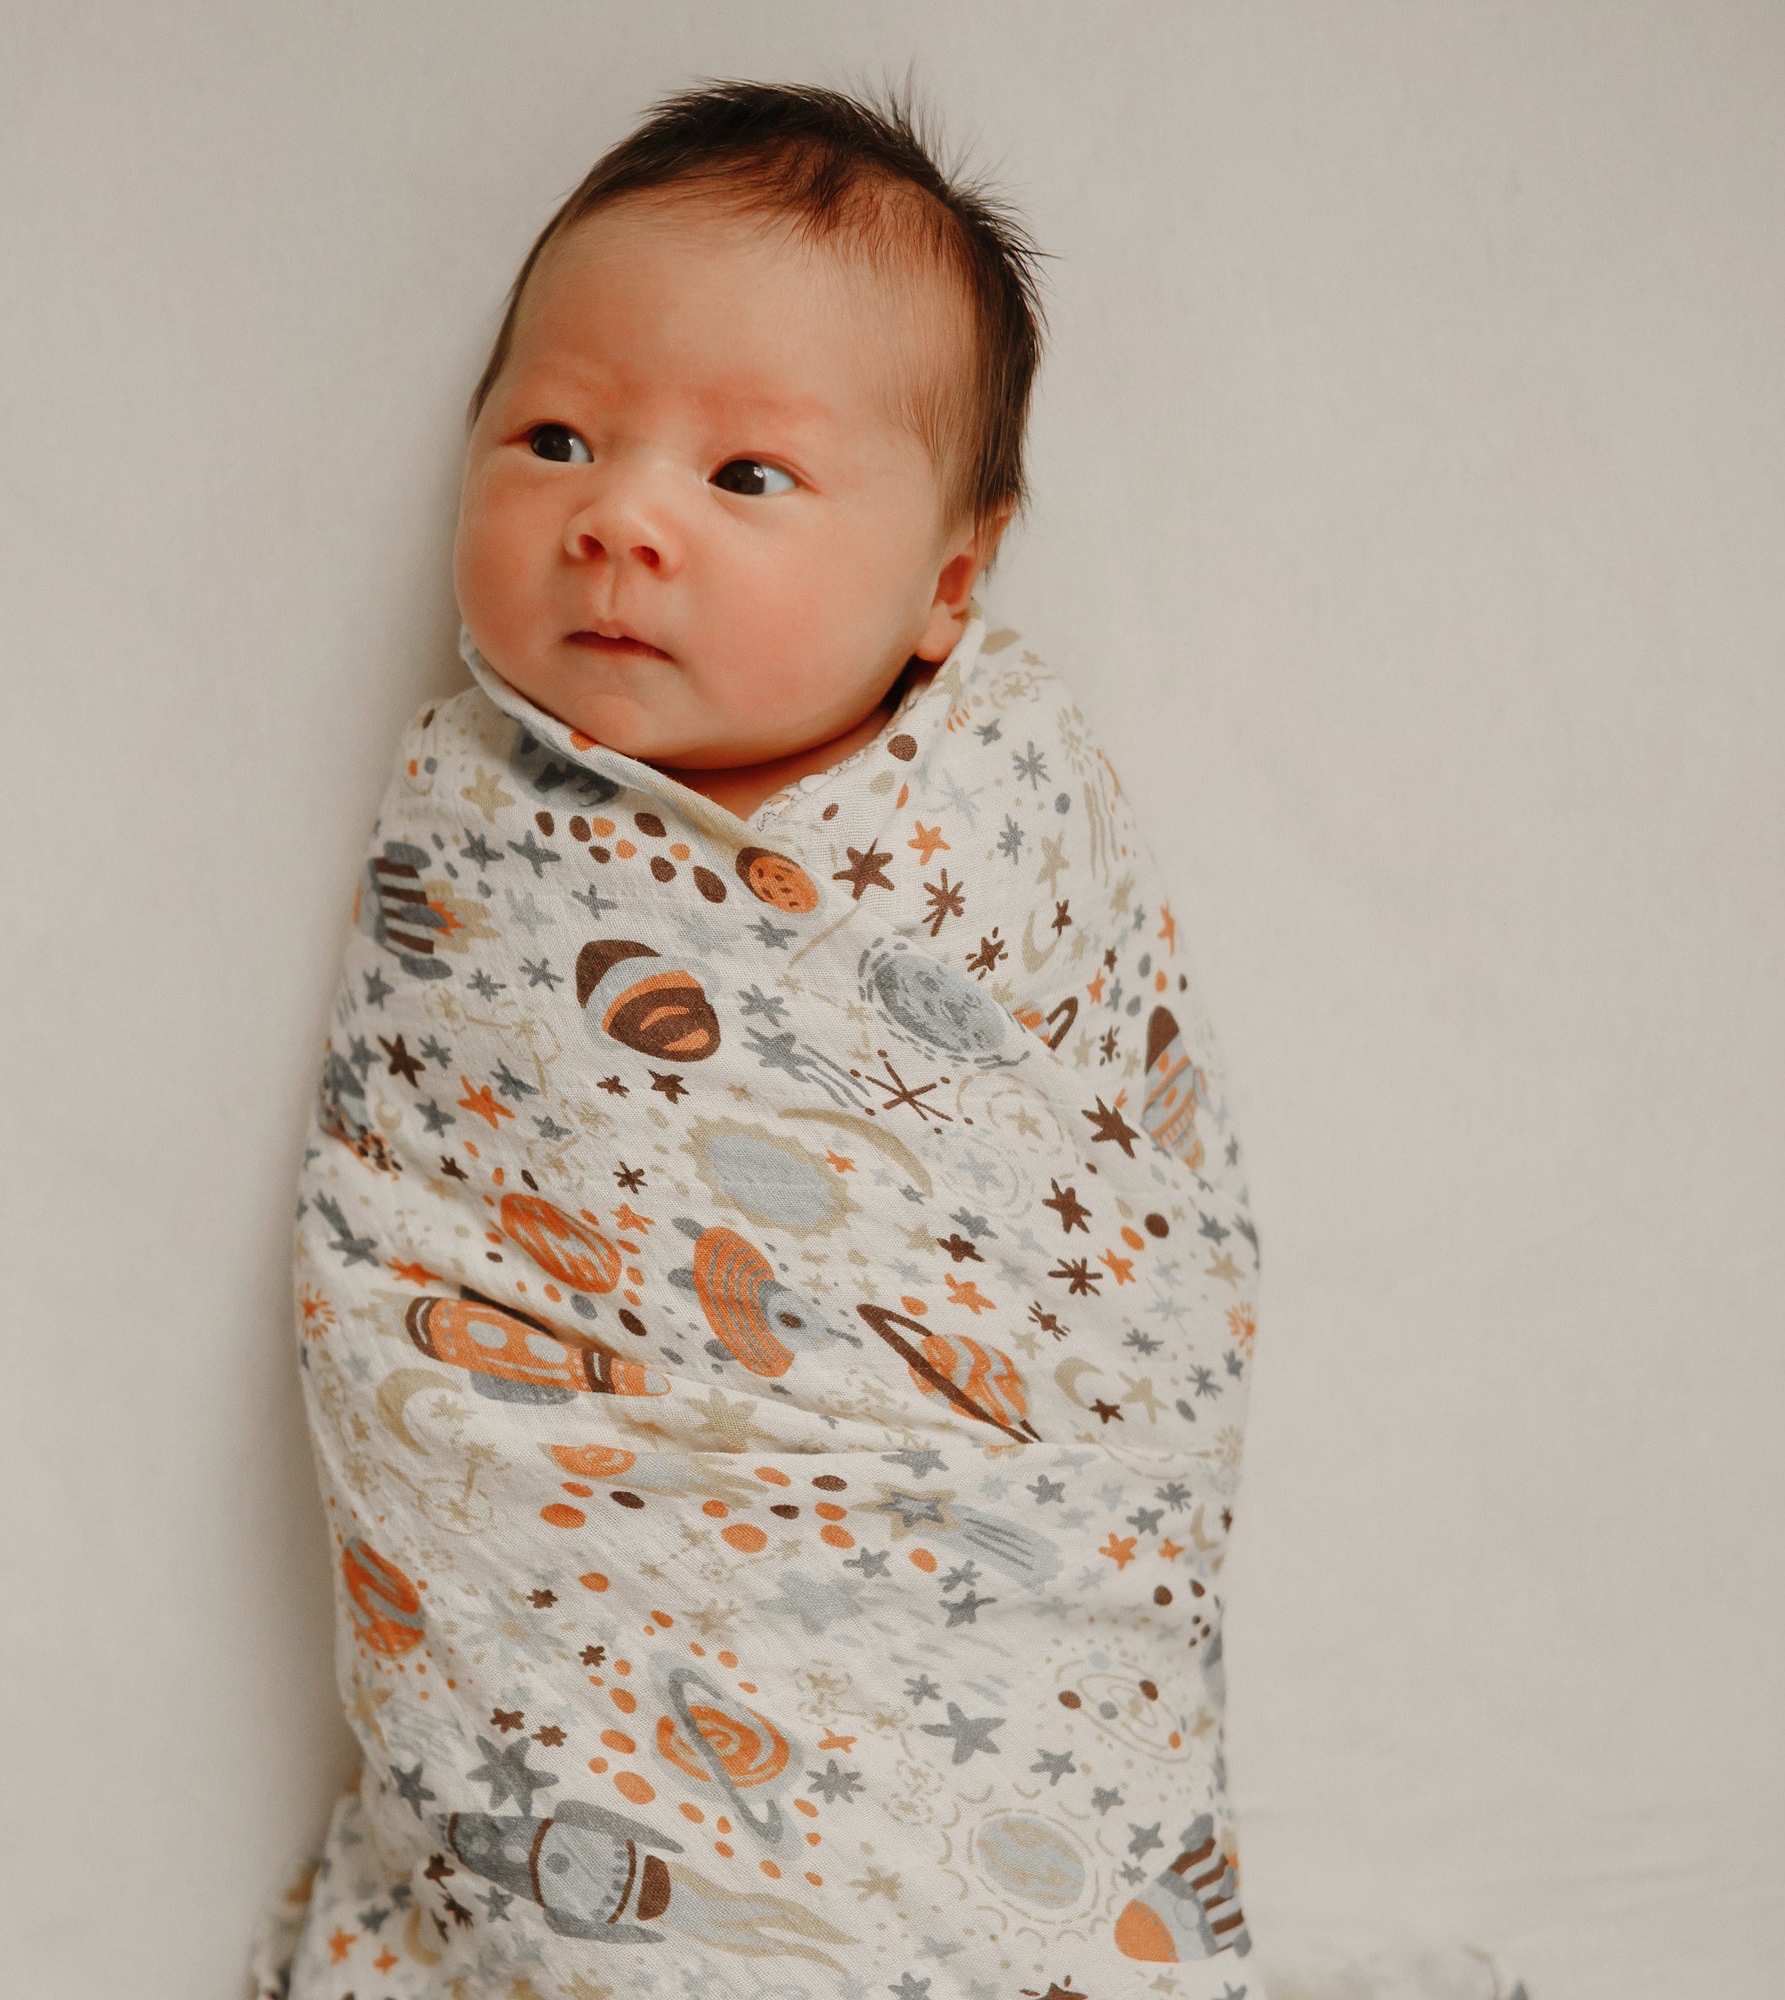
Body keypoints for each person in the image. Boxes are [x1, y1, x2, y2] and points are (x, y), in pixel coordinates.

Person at [257, 78, 1272, 1998]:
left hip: (976, 1561)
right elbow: (418, 1233)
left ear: (946, 586)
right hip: (594, 1578)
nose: (618, 519)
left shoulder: (1003, 806)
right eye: (554, 437)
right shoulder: (474, 826)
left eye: (745, 478)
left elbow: (1137, 1224)